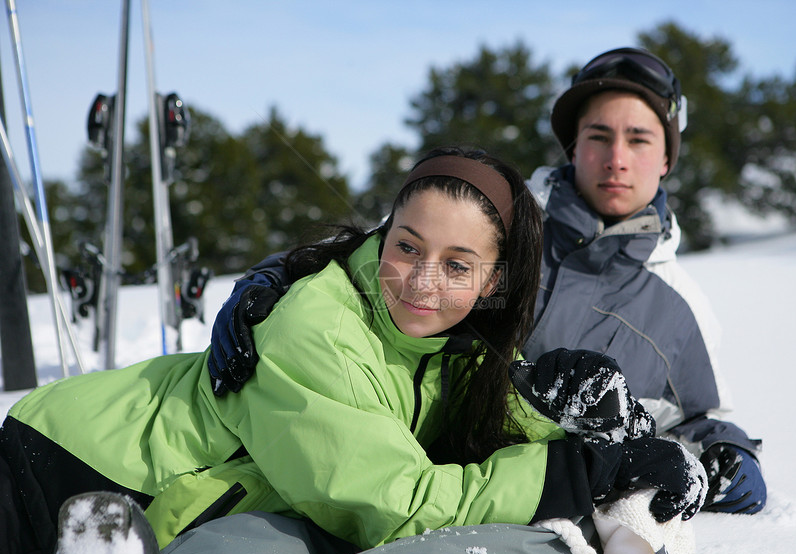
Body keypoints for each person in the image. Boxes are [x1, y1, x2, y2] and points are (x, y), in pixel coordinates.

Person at [0, 147, 706, 554]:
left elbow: (495, 424)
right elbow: (394, 505)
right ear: (384, 233)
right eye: (407, 246)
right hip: (63, 472)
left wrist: (616, 448)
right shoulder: (317, 323)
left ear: (495, 282)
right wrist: (579, 473)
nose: (423, 279)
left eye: (457, 264)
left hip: (149, 497)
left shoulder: (446, 346)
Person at [208, 48, 767, 519]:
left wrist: (730, 450)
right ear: (574, 146)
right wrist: (276, 275)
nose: (616, 159)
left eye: (640, 139)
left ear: (667, 156)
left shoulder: (680, 307)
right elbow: (381, 251)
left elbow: (697, 417)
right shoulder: (494, 220)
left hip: (516, 491)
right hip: (390, 454)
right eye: (599, 136)